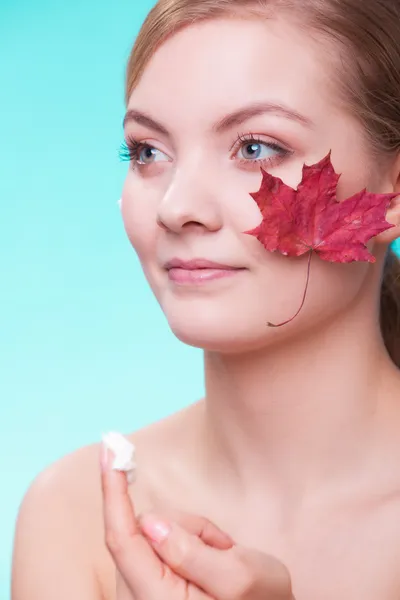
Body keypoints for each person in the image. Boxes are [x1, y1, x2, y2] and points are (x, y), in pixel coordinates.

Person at [11, 0, 400, 598]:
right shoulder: (76, 516)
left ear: (392, 190)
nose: (176, 207)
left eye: (256, 149)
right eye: (146, 151)